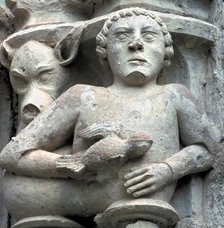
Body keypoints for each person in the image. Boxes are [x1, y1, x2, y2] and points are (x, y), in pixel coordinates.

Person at [0, 7, 221, 227]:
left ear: (166, 52)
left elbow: (211, 148)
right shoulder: (82, 95)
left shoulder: (174, 95)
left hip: (144, 205)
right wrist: (70, 164)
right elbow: (12, 154)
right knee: (18, 191)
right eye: (122, 36)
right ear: (104, 51)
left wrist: (168, 169)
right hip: (72, 195)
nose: (136, 44)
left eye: (149, 36)